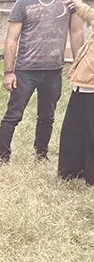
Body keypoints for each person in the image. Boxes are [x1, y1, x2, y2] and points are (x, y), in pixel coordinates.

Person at [0, 0, 83, 163]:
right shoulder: (22, 3)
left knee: (47, 116)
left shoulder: (69, 3)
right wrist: (9, 72)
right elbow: (11, 38)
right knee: (13, 115)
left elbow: (77, 32)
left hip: (54, 71)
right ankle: (2, 157)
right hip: (25, 71)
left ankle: (41, 154)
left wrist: (79, 67)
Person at [59, 0, 94, 185]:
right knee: (75, 131)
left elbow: (90, 14)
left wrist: (78, 4)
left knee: (89, 132)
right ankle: (72, 170)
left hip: (90, 85)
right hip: (83, 84)